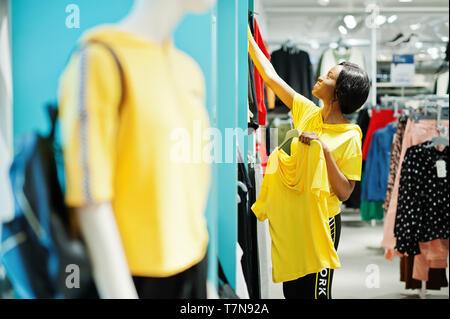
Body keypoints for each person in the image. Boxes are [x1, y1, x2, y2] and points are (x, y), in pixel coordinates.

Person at [58, 0, 216, 299]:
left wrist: (206, 286)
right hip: (132, 278)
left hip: (193, 265)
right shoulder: (100, 58)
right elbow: (90, 200)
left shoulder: (188, 71)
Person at [248, 28, 370, 299]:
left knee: (317, 294)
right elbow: (270, 76)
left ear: (338, 93)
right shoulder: (308, 113)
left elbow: (346, 192)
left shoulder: (350, 136)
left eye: (328, 77)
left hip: (322, 222)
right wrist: (247, 35)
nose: (319, 77)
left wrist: (324, 149)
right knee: (292, 292)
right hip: (297, 220)